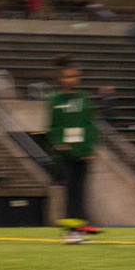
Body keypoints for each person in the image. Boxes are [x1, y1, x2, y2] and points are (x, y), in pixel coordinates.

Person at [46, 57, 101, 243]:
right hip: (65, 155)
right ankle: (71, 232)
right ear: (61, 79)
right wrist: (58, 143)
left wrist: (91, 148)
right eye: (68, 77)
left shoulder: (84, 98)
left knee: (81, 192)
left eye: (75, 76)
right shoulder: (55, 99)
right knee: (70, 192)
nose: (72, 80)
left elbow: (89, 124)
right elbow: (53, 126)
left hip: (83, 153)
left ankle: (81, 230)